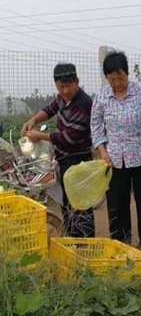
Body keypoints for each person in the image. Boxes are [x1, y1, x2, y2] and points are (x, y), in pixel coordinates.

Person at [91, 51, 141, 248]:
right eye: (112, 79)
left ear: (127, 73)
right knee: (117, 205)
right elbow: (96, 127)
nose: (117, 83)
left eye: (120, 77)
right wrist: (102, 152)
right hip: (114, 159)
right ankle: (121, 246)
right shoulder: (102, 97)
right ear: (107, 78)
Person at [21, 63, 95, 237]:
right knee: (67, 203)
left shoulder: (83, 103)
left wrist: (40, 136)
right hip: (63, 158)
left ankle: (85, 244)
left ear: (77, 82)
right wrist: (33, 120)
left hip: (78, 159)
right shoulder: (62, 98)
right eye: (61, 86)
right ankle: (71, 241)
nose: (66, 90)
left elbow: (68, 137)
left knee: (80, 204)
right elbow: (50, 109)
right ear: (56, 85)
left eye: (69, 85)